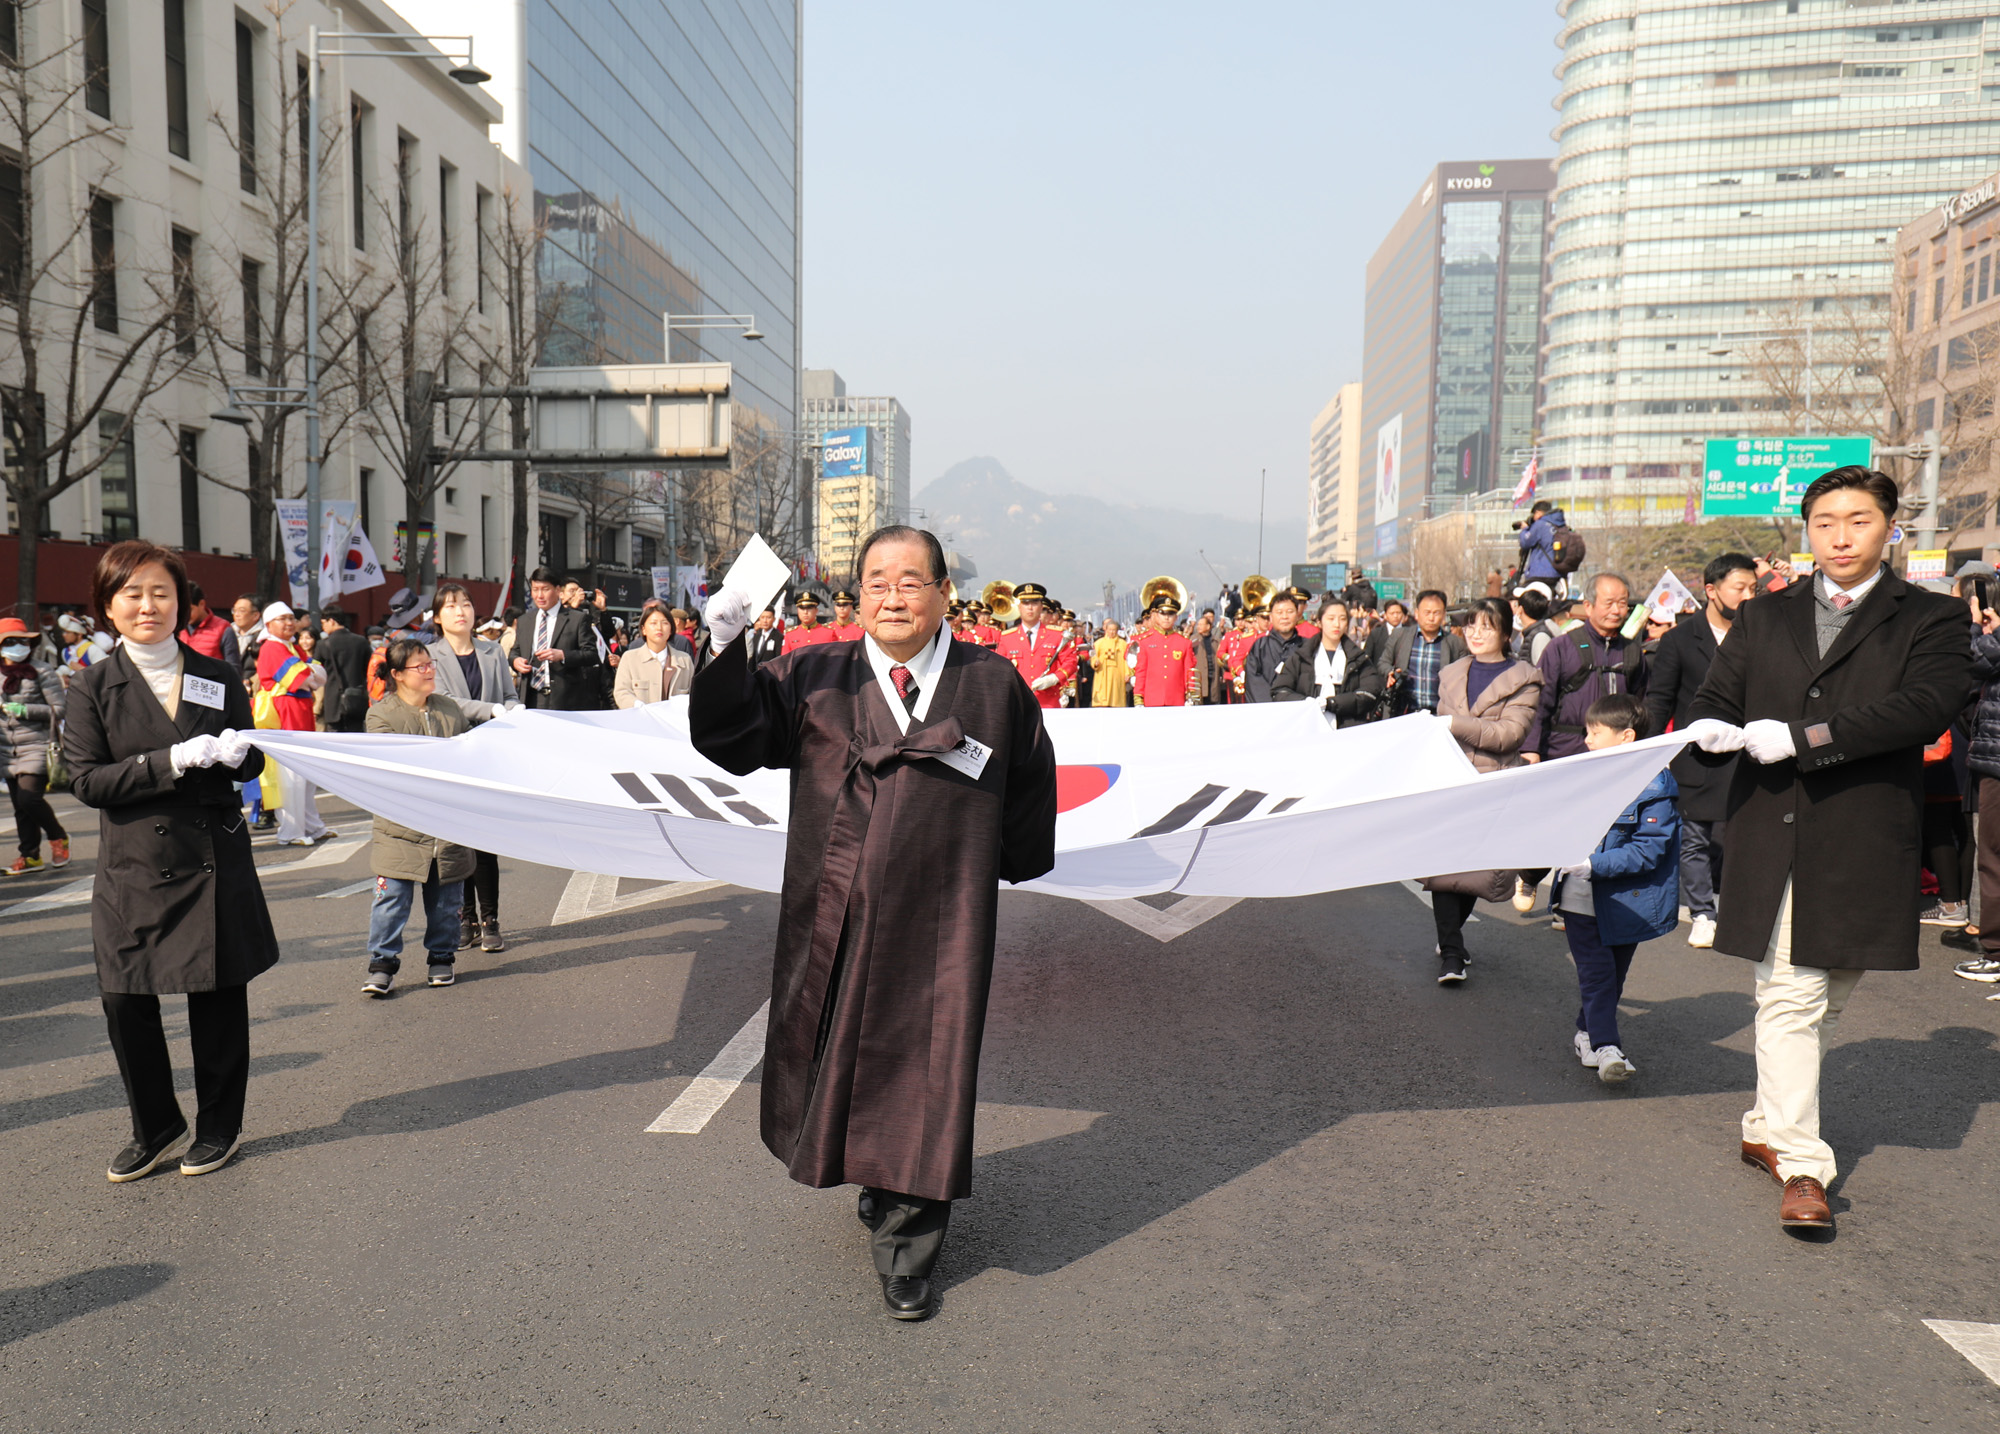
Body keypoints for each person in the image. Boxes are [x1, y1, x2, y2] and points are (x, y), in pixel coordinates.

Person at [692, 524, 1057, 1323]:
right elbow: (733, 737)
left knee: (927, 1070)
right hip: (834, 911)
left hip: (943, 918)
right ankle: (879, 1180)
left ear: (941, 594)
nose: (894, 595)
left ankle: (910, 1247)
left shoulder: (991, 685)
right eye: (878, 582)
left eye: (911, 580)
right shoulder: (813, 673)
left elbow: (1030, 781)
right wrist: (724, 645)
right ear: (859, 596)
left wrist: (1012, 862)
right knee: (839, 1053)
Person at [1684, 465, 1972, 1230]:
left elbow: (1923, 708)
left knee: (1825, 993)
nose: (1840, 536)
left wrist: (1807, 738)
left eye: (1858, 520)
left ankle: (1762, 1127)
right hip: (1771, 830)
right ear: (1806, 531)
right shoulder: (1764, 617)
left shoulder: (1932, 618)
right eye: (1824, 522)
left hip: (1863, 834)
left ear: (1890, 528)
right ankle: (1803, 1164)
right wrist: (1711, 733)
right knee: (1791, 994)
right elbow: (1717, 700)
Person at [65, 540, 276, 1181]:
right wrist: (170, 762)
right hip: (132, 867)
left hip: (211, 857)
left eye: (161, 591)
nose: (148, 605)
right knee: (125, 999)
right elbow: (86, 781)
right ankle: (155, 1124)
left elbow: (254, 758)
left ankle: (218, 1126)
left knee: (215, 997)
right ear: (108, 605)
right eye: (132, 593)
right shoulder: (92, 685)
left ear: (183, 602)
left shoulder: (216, 674)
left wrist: (239, 753)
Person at [1552, 693, 1680, 1084]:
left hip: (1628, 902)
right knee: (1598, 976)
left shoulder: (1655, 783)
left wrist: (1594, 864)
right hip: (1580, 897)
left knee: (1612, 978)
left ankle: (1586, 1033)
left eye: (1595, 732)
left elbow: (1650, 849)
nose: (1587, 739)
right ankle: (1608, 1047)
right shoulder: (1580, 773)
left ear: (1626, 736)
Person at [1422, 597, 1543, 983]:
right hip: (1450, 780)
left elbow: (1510, 734)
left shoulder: (1525, 677)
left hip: (1493, 783)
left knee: (1474, 869)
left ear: (1506, 633)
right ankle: (1452, 952)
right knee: (1443, 869)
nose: (1476, 633)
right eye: (1471, 625)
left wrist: (1454, 724)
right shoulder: (1452, 672)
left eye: (1486, 627)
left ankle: (1451, 940)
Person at [1644, 554, 1758, 950]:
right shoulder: (1678, 639)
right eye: (1739, 588)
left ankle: (1732, 907)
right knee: (1694, 838)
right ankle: (1702, 913)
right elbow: (1660, 700)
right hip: (1695, 757)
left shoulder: (1761, 637)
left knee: (1735, 838)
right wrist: (1649, 754)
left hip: (1748, 754)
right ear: (1711, 590)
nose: (1748, 596)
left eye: (1753, 589)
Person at [361, 640, 475, 996]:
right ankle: (382, 964)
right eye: (419, 666)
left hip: (447, 825)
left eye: (430, 664)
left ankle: (442, 957)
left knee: (446, 902)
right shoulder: (381, 714)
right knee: (391, 900)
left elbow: (469, 754)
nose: (428, 671)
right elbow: (394, 766)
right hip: (400, 826)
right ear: (396, 675)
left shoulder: (450, 709)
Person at [426, 584, 516, 954]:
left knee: (486, 841)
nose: (460, 611)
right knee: (457, 839)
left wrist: (512, 710)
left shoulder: (493, 651)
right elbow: (448, 702)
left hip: (488, 754)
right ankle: (465, 917)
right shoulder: (430, 655)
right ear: (437, 617)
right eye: (450, 606)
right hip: (452, 754)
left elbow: (509, 694)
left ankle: (491, 918)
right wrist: (493, 710)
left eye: (465, 604)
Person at [1523, 572, 1643, 765]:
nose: (1616, 610)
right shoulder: (1561, 647)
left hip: (1616, 757)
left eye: (1622, 604)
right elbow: (1539, 701)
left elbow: (1641, 704)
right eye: (1609, 603)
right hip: (1564, 753)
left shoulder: (1632, 652)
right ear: (1588, 606)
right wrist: (1530, 748)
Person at [255, 602, 331, 846]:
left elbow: (319, 675)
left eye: (291, 618)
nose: (289, 623)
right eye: (282, 619)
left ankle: (311, 826)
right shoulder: (272, 648)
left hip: (298, 712)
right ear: (269, 625)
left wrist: (309, 672)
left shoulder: (291, 646)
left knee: (305, 776)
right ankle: (292, 830)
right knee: (291, 776)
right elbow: (302, 679)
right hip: (284, 715)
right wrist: (310, 672)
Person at [0, 616, 69, 875]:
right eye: (10, 642)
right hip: (6, 750)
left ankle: (58, 836)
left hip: (38, 745)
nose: (18, 646)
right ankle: (30, 856)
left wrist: (23, 710)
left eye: (22, 641)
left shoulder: (42, 671)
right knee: (20, 806)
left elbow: (60, 709)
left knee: (30, 799)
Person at [1266, 598, 1382, 727]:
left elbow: (1370, 692)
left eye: (1342, 619)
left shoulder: (1359, 658)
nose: (1337, 624)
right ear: (1319, 622)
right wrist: (1307, 703)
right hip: (1307, 727)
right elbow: (1279, 691)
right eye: (1331, 619)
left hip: (1348, 730)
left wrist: (1333, 703)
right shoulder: (1301, 656)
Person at [511, 567, 601, 709]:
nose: (539, 595)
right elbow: (515, 651)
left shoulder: (577, 619)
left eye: (545, 589)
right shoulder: (524, 621)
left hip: (565, 699)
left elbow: (592, 655)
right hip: (531, 698)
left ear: (558, 590)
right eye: (535, 589)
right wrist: (515, 661)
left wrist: (563, 655)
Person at [1381, 590, 1468, 716]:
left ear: (1444, 615)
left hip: (1438, 714)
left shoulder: (1455, 643)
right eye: (1427, 612)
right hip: (1404, 712)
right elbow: (1383, 662)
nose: (1431, 618)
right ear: (1417, 614)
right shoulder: (1400, 636)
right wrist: (1390, 672)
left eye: (1436, 613)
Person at [994, 583, 1075, 709]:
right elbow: (998, 668)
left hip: (1048, 701)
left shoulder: (1057, 635)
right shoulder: (1007, 638)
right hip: (1017, 703)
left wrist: (1054, 678)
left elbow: (1070, 661)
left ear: (1041, 606)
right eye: (1025, 603)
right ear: (1019, 607)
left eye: (1034, 603)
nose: (1030, 608)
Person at [615, 605, 696, 708]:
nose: (659, 628)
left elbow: (694, 695)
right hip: (640, 720)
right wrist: (638, 706)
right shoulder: (630, 658)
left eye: (665, 623)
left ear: (671, 629)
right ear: (643, 629)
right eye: (653, 623)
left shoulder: (684, 660)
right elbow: (621, 692)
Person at [1244, 591, 1312, 703]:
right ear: (1270, 617)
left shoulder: (1308, 647)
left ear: (1298, 615)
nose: (1284, 617)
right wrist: (1274, 705)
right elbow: (1253, 682)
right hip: (1267, 712)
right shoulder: (1259, 647)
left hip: (1299, 711)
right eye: (1279, 612)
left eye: (1290, 612)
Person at [1131, 594, 1199, 706]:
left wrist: (1190, 695)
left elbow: (1188, 671)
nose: (1166, 618)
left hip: (1176, 699)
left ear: (1176, 617)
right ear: (1156, 616)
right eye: (1162, 614)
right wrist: (1138, 698)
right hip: (1152, 699)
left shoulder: (1184, 642)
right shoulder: (1145, 642)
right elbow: (1141, 672)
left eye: (1171, 614)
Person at [315, 605, 374, 734]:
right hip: (356, 699)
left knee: (334, 742)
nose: (323, 627)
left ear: (332, 621)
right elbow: (368, 669)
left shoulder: (322, 644)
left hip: (332, 702)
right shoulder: (361, 642)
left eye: (323, 623)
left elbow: (316, 671)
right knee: (356, 739)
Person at [179, 584, 240, 672]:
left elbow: (234, 670)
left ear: (202, 604)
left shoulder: (223, 629)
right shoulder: (176, 628)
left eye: (189, 610)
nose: (185, 615)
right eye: (181, 610)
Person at [1516, 499, 1570, 591]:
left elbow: (1525, 542)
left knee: (1525, 597)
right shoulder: (1561, 526)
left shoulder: (1541, 524)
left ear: (1538, 513)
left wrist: (1525, 529)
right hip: (1557, 573)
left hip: (1540, 573)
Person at [1091, 620, 1131, 707]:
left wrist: (1127, 673)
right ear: (1106, 630)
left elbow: (1126, 660)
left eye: (1114, 630)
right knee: (1102, 697)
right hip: (1103, 672)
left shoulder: (1123, 644)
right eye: (1109, 629)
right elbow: (1094, 657)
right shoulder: (1099, 643)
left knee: (1116, 697)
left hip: (1117, 673)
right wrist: (1095, 663)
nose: (1111, 632)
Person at [229, 594, 264, 680]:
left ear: (256, 615)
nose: (236, 614)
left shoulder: (264, 637)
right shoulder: (227, 632)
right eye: (234, 610)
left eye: (242, 611)